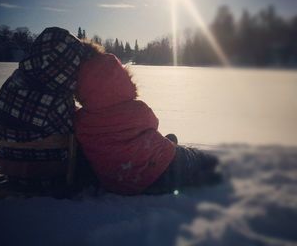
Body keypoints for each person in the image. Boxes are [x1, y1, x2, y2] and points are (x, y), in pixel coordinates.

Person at [75, 53, 219, 195]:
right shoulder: (137, 108)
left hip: (119, 184)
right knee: (199, 159)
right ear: (123, 81)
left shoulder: (82, 120)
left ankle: (169, 148)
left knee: (165, 144)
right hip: (160, 171)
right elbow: (153, 124)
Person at [0, 27, 100, 190]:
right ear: (70, 62)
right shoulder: (57, 98)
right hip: (49, 177)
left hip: (9, 170)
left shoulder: (13, 82)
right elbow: (73, 129)